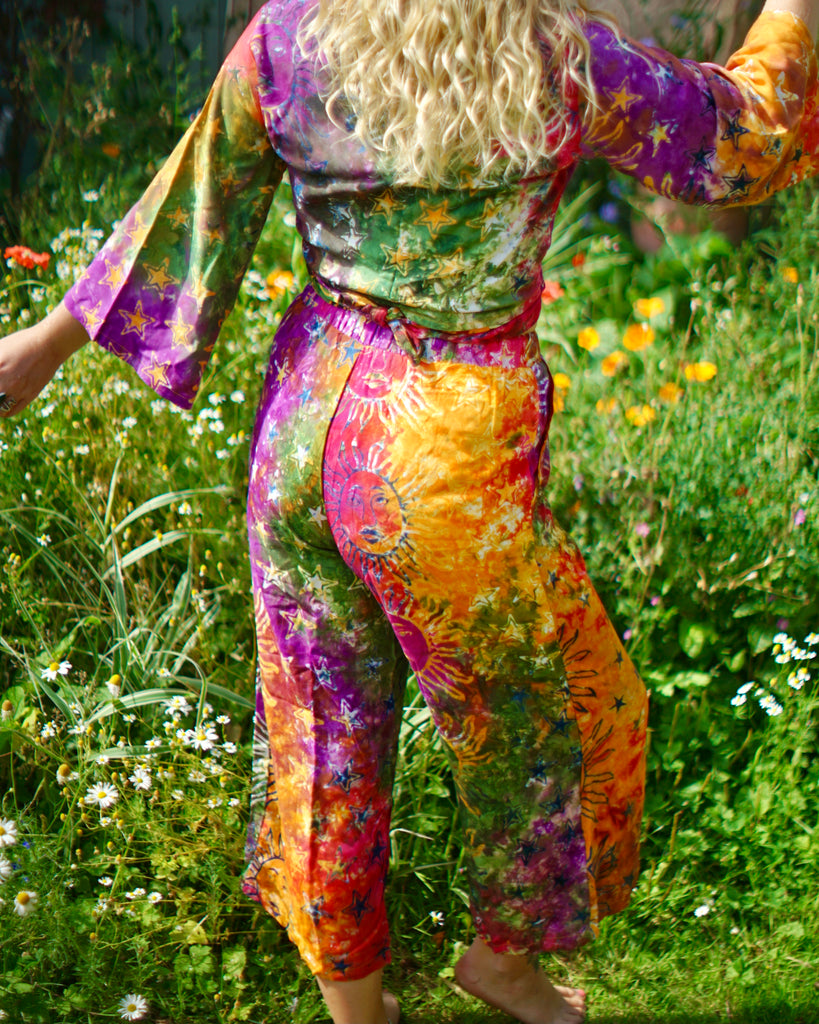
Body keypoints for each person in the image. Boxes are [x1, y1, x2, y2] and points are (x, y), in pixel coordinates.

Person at [1, 0, 818, 1020]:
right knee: (568, 711)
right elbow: (738, 142)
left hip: (304, 429)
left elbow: (192, 200)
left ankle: (359, 1015)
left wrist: (47, 340)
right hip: (440, 457)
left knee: (321, 737)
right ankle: (505, 961)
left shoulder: (291, 35)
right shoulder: (553, 52)